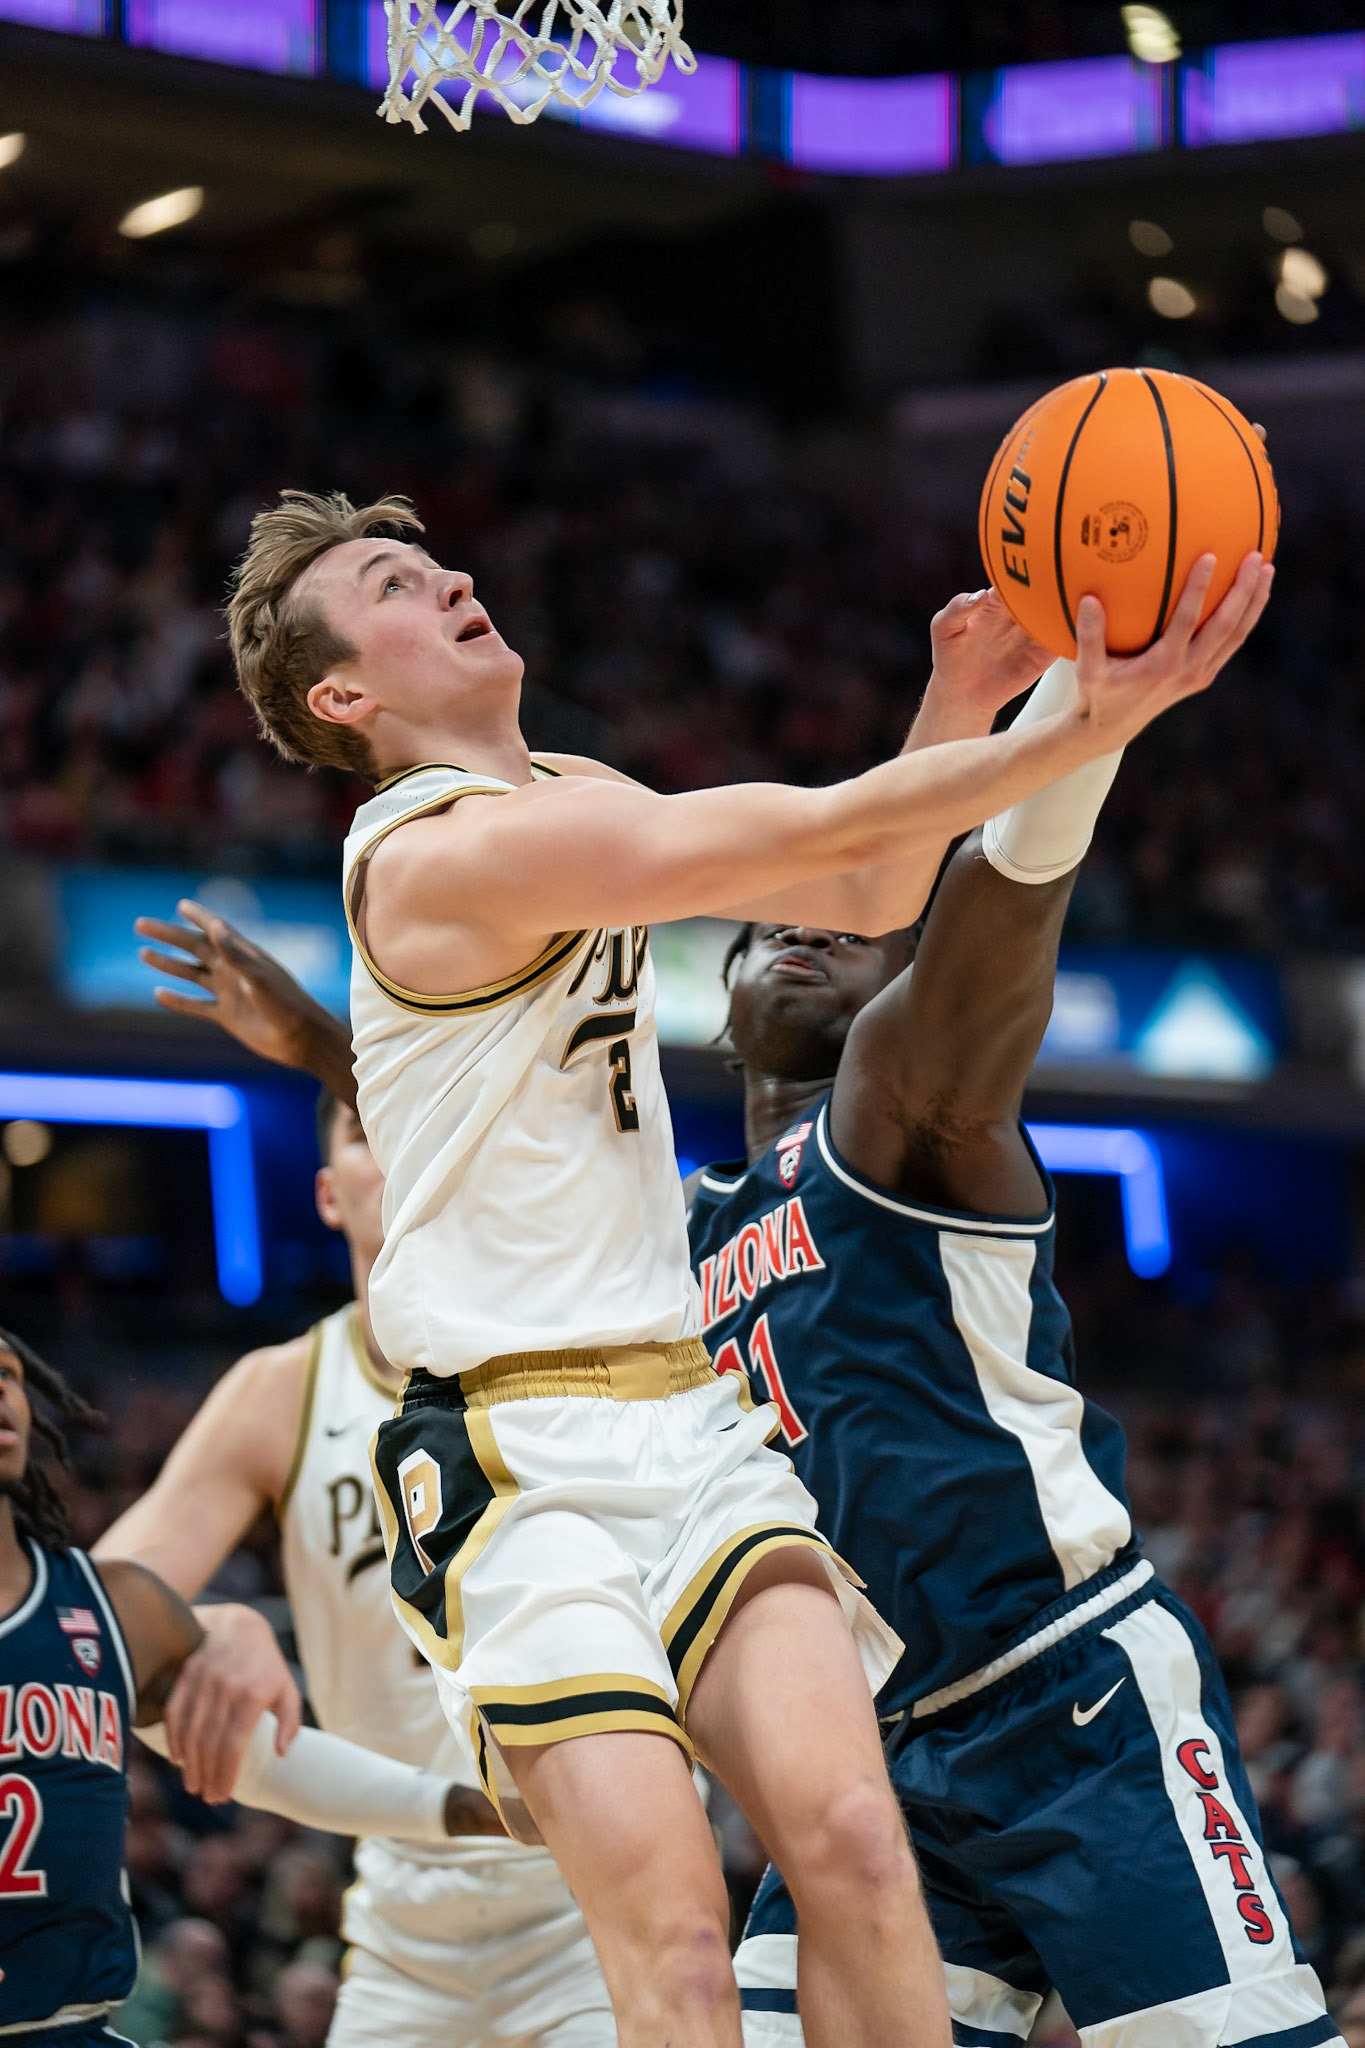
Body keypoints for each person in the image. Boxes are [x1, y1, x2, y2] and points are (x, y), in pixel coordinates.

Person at [221, 486, 1269, 2048]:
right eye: (390, 584)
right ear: (343, 700)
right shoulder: (430, 855)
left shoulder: (570, 789)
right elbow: (818, 832)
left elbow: (858, 892)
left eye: (433, 560)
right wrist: (1087, 720)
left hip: (685, 1418)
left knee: (858, 1852)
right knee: (686, 1951)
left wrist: (959, 705)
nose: (445, 579)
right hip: (514, 1459)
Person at [684, 646, 1343, 2046]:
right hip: (874, 1750)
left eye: (849, 925)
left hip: (1065, 1697)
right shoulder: (674, 1230)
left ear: (904, 979)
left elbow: (999, 899)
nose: (803, 926)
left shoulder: (894, 1117)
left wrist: (1080, 712)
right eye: (773, 919)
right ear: (720, 994)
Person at [97, 959, 614, 2048]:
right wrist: (209, 1624)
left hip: (598, 1901)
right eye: (363, 1128)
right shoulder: (279, 1390)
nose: (399, 1144)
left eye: (414, 1116)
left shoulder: (581, 1350)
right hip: (398, 1923)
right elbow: (88, 1620)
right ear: (328, 1192)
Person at [0, 1324, 494, 2048]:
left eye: (10, 1375)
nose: (1, 1392)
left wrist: (461, 1807)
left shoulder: (113, 1605)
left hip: (73, 2028)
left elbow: (254, 1751)